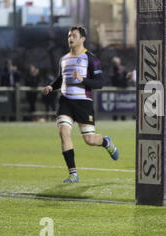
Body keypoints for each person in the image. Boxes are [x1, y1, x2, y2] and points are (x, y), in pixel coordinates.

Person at [42, 25, 119, 183]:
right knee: (63, 131)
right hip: (65, 101)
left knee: (90, 140)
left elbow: (100, 83)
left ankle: (106, 142)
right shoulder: (63, 59)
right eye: (69, 36)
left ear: (82, 39)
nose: (70, 38)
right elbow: (60, 79)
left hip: (83, 103)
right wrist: (51, 86)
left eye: (74, 36)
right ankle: (73, 174)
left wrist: (83, 80)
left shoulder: (90, 58)